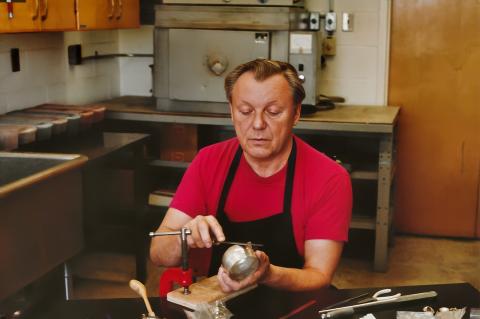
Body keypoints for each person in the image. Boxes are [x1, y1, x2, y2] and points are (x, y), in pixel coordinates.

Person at [150, 59, 352, 292]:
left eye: (273, 112)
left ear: (296, 113)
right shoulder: (208, 162)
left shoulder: (328, 177)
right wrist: (184, 238)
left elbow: (319, 275)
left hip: (293, 305)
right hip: (218, 305)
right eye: (245, 111)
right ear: (232, 112)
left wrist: (268, 274)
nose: (257, 124)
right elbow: (158, 253)